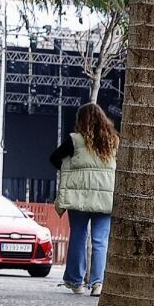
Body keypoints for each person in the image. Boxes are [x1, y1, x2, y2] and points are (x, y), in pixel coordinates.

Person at [50, 103, 118, 296]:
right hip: (105, 198)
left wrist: (70, 165)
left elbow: (54, 158)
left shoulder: (75, 140)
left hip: (78, 198)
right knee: (100, 241)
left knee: (78, 237)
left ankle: (75, 281)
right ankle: (98, 283)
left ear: (81, 120)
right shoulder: (113, 140)